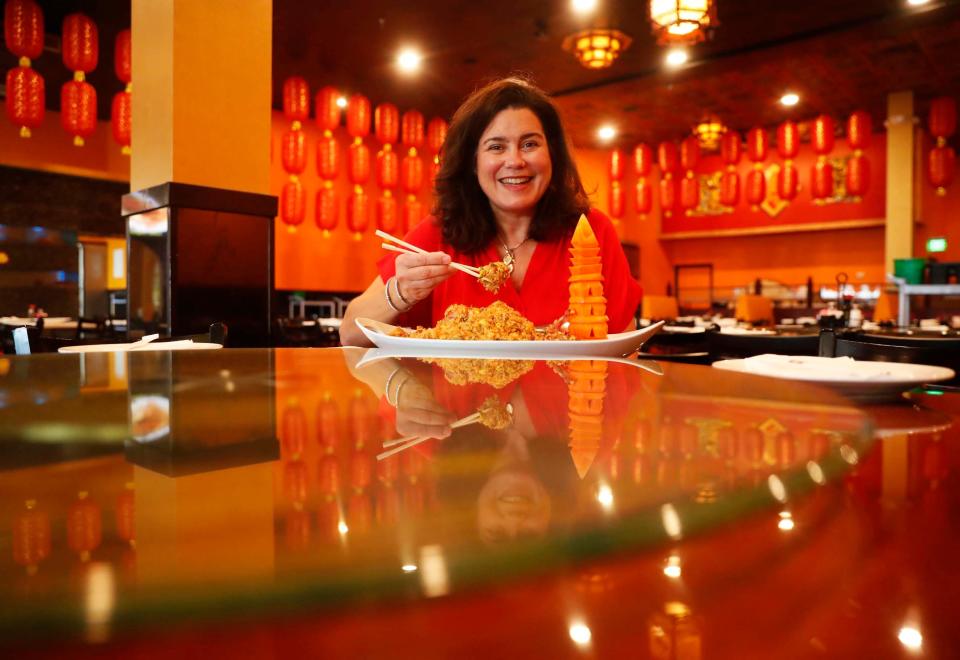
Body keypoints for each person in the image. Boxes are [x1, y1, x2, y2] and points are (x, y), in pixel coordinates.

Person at [340, 76, 642, 347]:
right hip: (459, 409)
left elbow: (624, 349)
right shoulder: (439, 233)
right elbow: (351, 332)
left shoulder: (590, 232)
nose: (515, 161)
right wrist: (401, 292)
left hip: (570, 409)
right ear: (472, 163)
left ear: (553, 155)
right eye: (496, 147)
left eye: (529, 144)